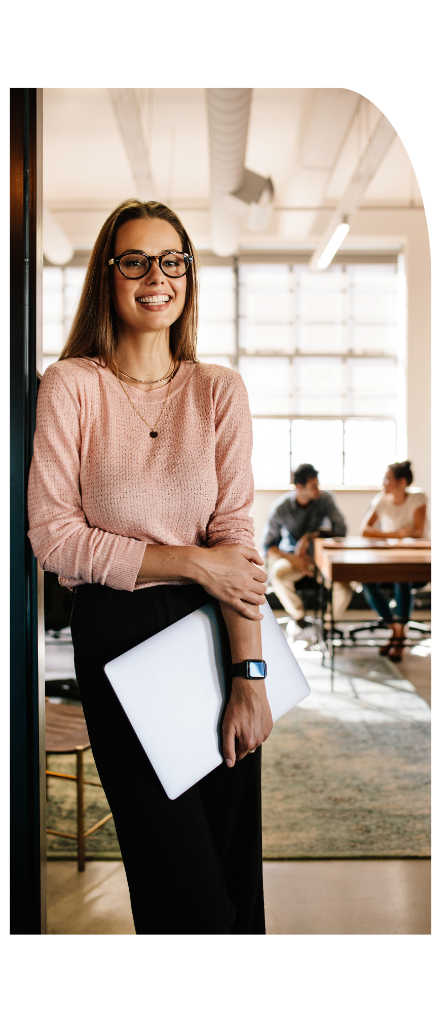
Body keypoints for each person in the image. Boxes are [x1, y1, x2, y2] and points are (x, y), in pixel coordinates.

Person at [27, 199, 273, 935]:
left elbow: (236, 538)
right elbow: (54, 537)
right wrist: (192, 563)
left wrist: (250, 678)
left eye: (172, 261)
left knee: (232, 870)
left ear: (188, 276)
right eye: (134, 260)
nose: (155, 277)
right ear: (109, 274)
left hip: (214, 633)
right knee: (176, 879)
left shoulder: (218, 390)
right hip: (119, 634)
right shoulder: (71, 386)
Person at [262, 463, 351, 633]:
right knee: (279, 575)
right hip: (292, 558)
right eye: (313, 486)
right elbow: (268, 546)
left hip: (322, 559)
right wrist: (293, 559)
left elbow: (341, 530)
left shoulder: (325, 500)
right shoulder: (281, 508)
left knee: (345, 586)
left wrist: (310, 536)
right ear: (299, 487)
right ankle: (298, 616)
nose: (318, 490)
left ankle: (327, 624)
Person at [359, 461, 427, 661]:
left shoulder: (418, 498)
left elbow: (418, 532)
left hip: (414, 561)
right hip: (387, 559)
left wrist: (389, 536)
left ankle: (398, 638)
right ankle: (396, 630)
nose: (383, 483)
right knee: (367, 582)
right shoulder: (382, 500)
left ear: (402, 482)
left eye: (387, 478)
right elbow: (365, 531)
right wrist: (397, 533)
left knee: (401, 578)